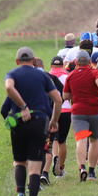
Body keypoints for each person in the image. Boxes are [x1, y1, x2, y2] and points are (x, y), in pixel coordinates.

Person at [2, 47, 62, 196]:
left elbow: (8, 88)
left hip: (18, 122)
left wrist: (22, 107)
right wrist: (54, 121)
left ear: (17, 61)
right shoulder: (43, 76)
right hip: (39, 122)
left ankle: (20, 194)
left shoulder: (12, 73)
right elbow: (58, 99)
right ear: (34, 61)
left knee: (20, 161)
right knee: (35, 167)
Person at [64, 50, 98, 181]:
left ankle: (82, 167)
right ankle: (91, 172)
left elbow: (65, 96)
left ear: (76, 62)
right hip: (95, 111)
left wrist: (75, 96)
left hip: (78, 112)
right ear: (90, 62)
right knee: (94, 140)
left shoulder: (71, 76)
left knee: (81, 140)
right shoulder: (95, 72)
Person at [34, 58, 63, 186]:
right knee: (48, 147)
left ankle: (33, 177)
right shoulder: (50, 78)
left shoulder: (27, 79)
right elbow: (60, 95)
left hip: (31, 118)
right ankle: (44, 173)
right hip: (48, 117)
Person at [48, 56, 71, 177]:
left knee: (54, 139)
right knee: (62, 141)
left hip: (52, 110)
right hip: (66, 110)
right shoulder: (67, 77)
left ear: (51, 66)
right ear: (62, 66)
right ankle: (60, 169)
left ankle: (55, 157)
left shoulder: (47, 76)